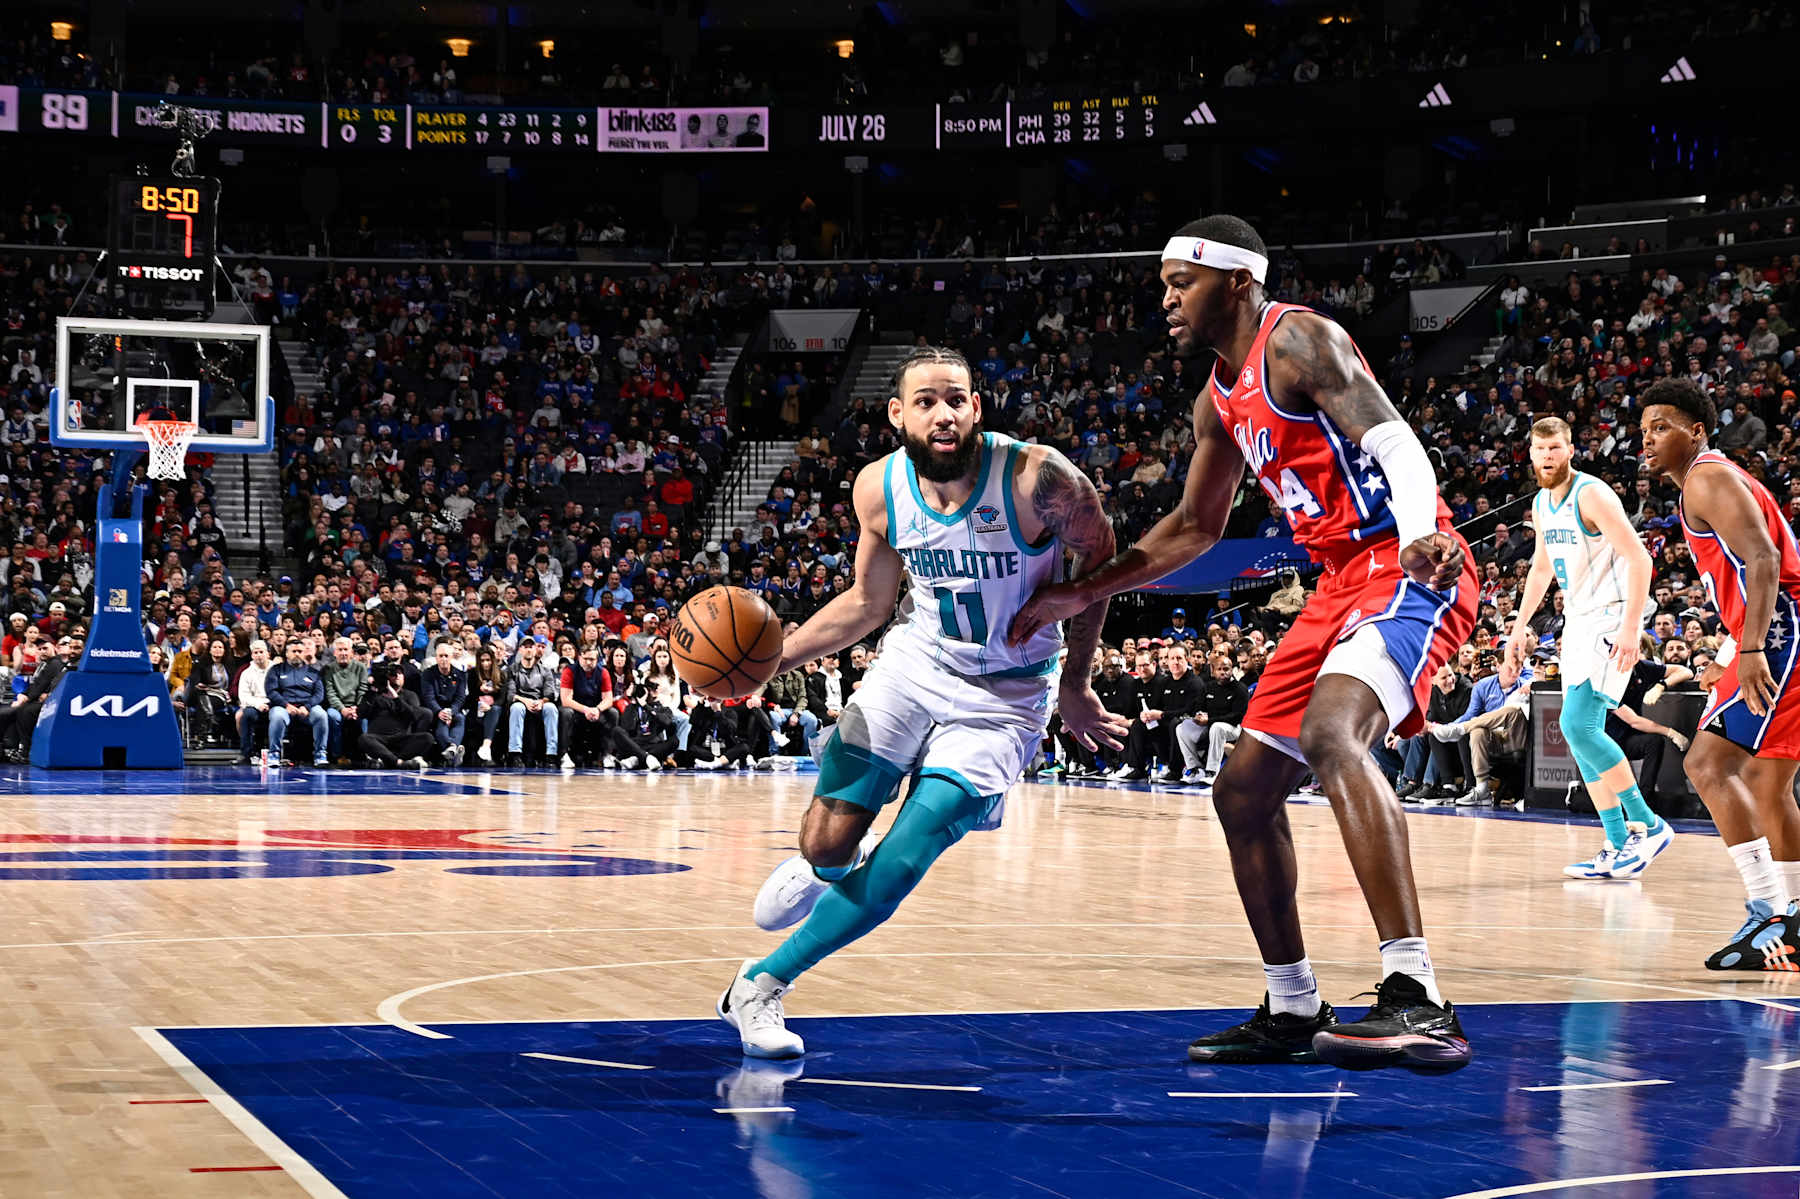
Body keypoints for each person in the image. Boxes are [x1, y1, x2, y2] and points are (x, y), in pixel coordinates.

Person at [1009, 214, 1477, 1072]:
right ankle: (1293, 1004)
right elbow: (1194, 526)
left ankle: (1418, 996)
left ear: (1236, 281)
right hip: (1336, 579)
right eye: (1163, 285)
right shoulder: (1216, 399)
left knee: (1332, 732)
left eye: (1179, 283)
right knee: (1241, 792)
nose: (1166, 300)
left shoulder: (1297, 339)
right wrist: (1084, 588)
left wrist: (1419, 532)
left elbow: (1395, 440)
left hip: (1403, 563)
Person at [717, 345, 1125, 1059]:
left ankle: (758, 984)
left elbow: (1103, 559)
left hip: (1007, 696)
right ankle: (827, 865)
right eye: (926, 401)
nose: (944, 414)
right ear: (897, 414)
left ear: (977, 407)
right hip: (914, 667)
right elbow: (868, 603)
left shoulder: (1038, 478)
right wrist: (771, 662)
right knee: (826, 843)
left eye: (957, 399)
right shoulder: (878, 488)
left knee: (906, 857)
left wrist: (1076, 682)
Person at [1641, 377, 1800, 970]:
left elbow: (1765, 558)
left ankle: (1767, 910)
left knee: (1706, 765)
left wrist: (1751, 648)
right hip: (1771, 632)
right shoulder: (1713, 479)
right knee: (1766, 782)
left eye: (1661, 427)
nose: (1647, 439)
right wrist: (1736, 647)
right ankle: (1794, 918)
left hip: (1780, 633)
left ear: (1697, 430)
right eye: (1643, 430)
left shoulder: (1706, 477)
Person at [1506, 416, 1666, 878]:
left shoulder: (1591, 494)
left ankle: (1649, 825)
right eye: (1540, 449)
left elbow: (1640, 558)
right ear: (1530, 454)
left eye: (1555, 448)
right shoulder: (1541, 503)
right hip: (1578, 619)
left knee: (1580, 724)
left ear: (1571, 449)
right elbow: (1541, 569)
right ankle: (1617, 843)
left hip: (1611, 614)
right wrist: (1518, 627)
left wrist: (1632, 628)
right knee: (1578, 737)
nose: (1548, 456)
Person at [358, 661, 437, 769]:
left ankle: (387, 760)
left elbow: (412, 715)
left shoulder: (410, 695)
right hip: (379, 740)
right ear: (387, 677)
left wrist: (396, 698)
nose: (397, 676)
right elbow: (361, 713)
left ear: (404, 677)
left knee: (428, 738)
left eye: (400, 673)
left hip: (401, 740)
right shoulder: (374, 694)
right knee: (364, 738)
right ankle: (398, 762)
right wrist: (371, 691)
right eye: (393, 674)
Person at [264, 639, 330, 767]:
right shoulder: (276, 670)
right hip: (283, 706)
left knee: (321, 715)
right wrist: (286, 705)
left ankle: (320, 754)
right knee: (277, 716)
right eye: (293, 651)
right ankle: (274, 754)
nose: (297, 654)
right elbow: (271, 691)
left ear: (304, 653)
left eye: (300, 651)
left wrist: (307, 706)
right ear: (287, 653)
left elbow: (319, 694)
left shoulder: (313, 672)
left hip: (307, 707)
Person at [420, 640, 468, 766]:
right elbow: (428, 697)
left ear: (451, 657)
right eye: (440, 656)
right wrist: (439, 711)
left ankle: (450, 750)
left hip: (453, 710)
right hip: (435, 709)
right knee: (441, 720)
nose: (444, 659)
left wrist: (451, 711)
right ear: (436, 658)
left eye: (446, 656)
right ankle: (453, 747)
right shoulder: (428, 674)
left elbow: (460, 698)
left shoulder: (460, 675)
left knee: (460, 718)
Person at [235, 639, 272, 764]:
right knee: (247, 715)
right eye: (256, 653)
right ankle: (246, 753)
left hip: (273, 703)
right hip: (254, 704)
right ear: (252, 655)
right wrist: (258, 704)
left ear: (267, 654)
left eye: (261, 652)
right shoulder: (246, 673)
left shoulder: (275, 669)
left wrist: (269, 703)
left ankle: (274, 752)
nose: (259, 655)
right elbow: (244, 696)